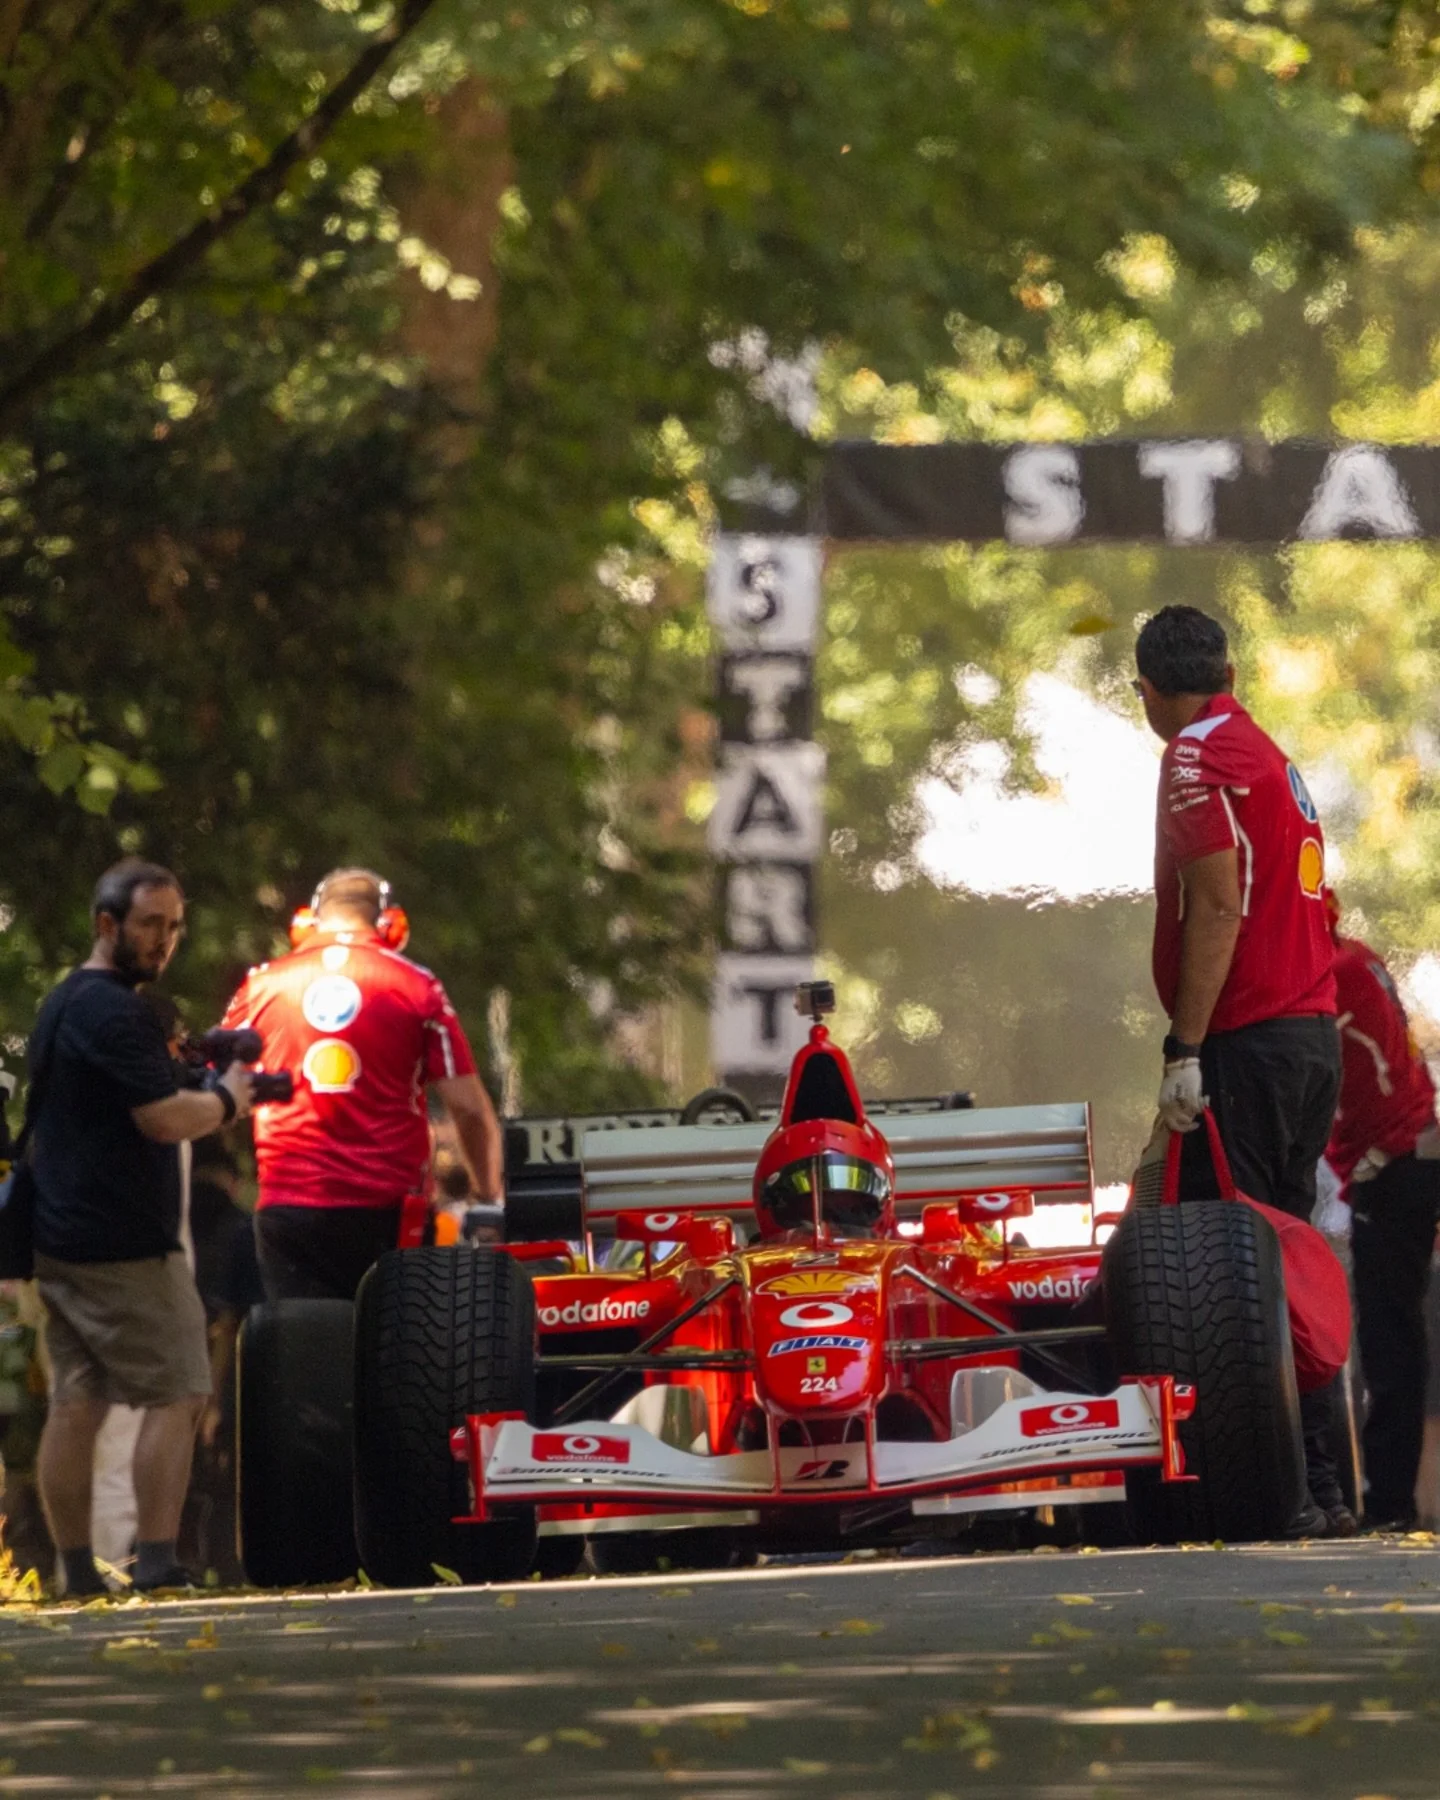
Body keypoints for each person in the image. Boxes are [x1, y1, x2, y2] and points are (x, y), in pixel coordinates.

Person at [1134, 605, 1345, 1534]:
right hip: (1309, 1035)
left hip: (1251, 1040)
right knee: (1287, 1260)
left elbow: (1217, 910)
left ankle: (1287, 1494)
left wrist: (1186, 1049)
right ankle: (1327, 1489)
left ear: (1149, 690)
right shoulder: (1264, 747)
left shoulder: (1195, 758)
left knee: (1244, 1274)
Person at [28, 858, 253, 1595]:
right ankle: (156, 1560)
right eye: (151, 924)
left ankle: (73, 1572)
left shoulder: (63, 1002)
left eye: (175, 927)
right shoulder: (116, 1011)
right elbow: (162, 1119)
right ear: (107, 924)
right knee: (182, 1389)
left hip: (59, 1236)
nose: (165, 941)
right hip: (124, 1243)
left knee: (78, 1397)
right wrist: (227, 1099)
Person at [221, 868, 503, 1301]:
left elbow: (215, 1078)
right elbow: (467, 1108)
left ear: (306, 924)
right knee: (397, 1350)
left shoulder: (261, 984)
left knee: (300, 1349)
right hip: (388, 1214)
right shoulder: (417, 986)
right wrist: (487, 1196)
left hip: (288, 1205)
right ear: (391, 924)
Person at [1320, 891, 1440, 1531]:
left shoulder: (1327, 976)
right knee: (1398, 1333)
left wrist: (1364, 1156)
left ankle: (1392, 1502)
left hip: (1395, 1163)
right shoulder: (1356, 958)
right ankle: (1393, 1498)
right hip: (1408, 1154)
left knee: (1389, 1339)